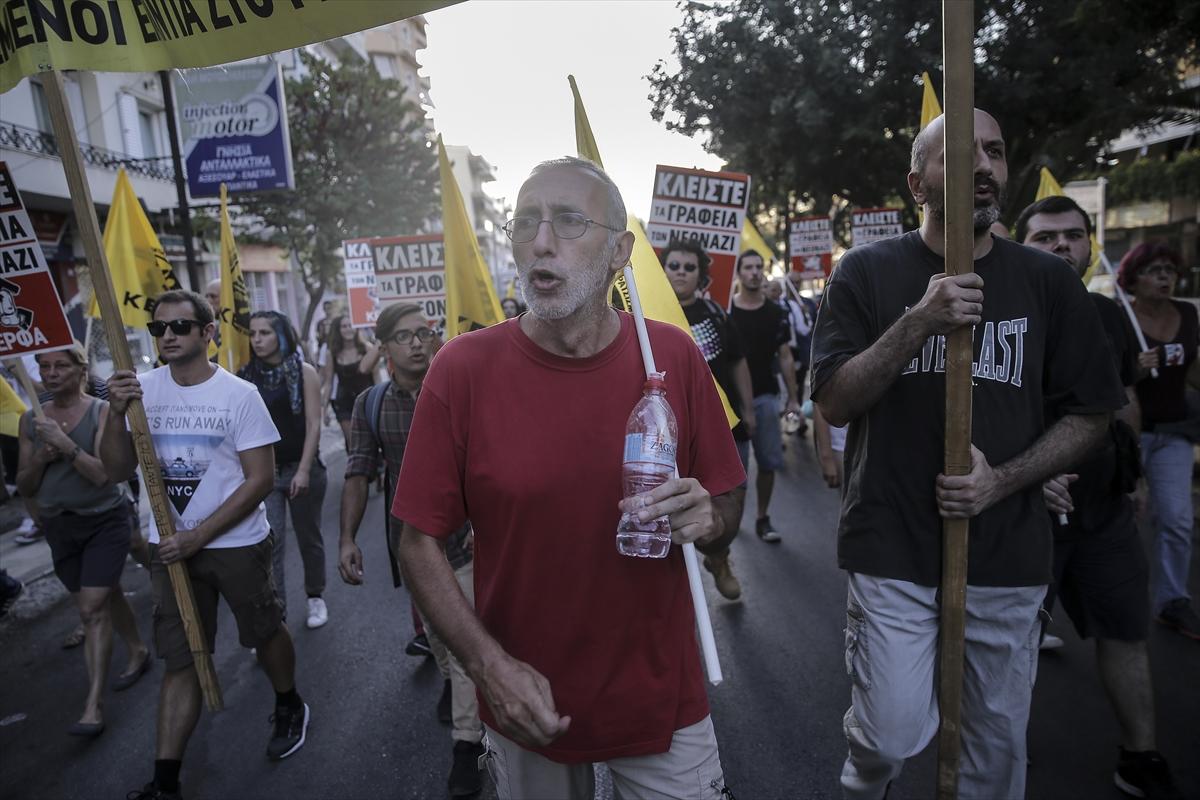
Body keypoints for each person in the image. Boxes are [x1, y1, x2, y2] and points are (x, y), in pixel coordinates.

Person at [393, 156, 744, 799]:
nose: (541, 241)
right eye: (525, 222)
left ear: (620, 252)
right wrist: (487, 668)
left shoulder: (670, 355)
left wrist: (710, 519)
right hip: (528, 700)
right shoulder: (462, 369)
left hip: (661, 697)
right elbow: (417, 540)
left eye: (569, 221)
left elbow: (727, 501)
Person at [811, 109, 1125, 799]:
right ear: (917, 184)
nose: (983, 166)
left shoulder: (1047, 282)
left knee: (994, 751)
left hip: (1008, 552)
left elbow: (1093, 414)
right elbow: (833, 399)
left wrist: (1004, 480)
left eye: (995, 152)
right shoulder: (865, 273)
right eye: (959, 154)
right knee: (889, 733)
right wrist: (919, 320)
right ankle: (866, 780)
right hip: (891, 542)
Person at [102, 290, 309, 800]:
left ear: (207, 332)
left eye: (178, 327)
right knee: (182, 658)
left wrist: (198, 535)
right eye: (158, 329)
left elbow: (259, 480)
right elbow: (114, 469)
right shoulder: (141, 390)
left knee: (264, 633)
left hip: (234, 543)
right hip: (169, 551)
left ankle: (288, 701)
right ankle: (165, 780)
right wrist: (114, 413)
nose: (167, 336)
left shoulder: (239, 395)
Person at [1017, 195, 1182, 799]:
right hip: (1022, 516)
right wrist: (1029, 473)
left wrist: (1133, 475)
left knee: (1126, 631)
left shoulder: (1111, 318)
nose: (1062, 245)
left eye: (1073, 235)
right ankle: (999, 749)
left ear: (1090, 246)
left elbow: (1121, 403)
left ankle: (1141, 757)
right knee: (1010, 645)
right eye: (1045, 237)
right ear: (1021, 244)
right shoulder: (998, 316)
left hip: (1104, 513)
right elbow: (975, 417)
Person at [337, 302, 484, 797]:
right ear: (385, 348)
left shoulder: (461, 392)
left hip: (465, 542)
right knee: (441, 641)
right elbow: (359, 471)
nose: (418, 342)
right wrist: (346, 538)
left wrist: (485, 521)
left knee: (465, 647)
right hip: (414, 547)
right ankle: (450, 681)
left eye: (425, 332)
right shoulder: (371, 405)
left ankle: (467, 747)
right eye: (404, 336)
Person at [16, 343, 151, 736]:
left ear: (81, 370)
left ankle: (93, 705)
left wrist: (65, 445)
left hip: (104, 521)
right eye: (44, 366)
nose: (51, 372)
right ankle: (138, 649)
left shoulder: (102, 411)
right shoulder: (30, 420)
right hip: (60, 526)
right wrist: (41, 456)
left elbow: (104, 474)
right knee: (106, 595)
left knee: (91, 609)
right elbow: (24, 484)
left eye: (61, 365)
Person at [660, 238, 753, 600]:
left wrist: (747, 409)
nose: (681, 272)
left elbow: (738, 362)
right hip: (673, 433)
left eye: (689, 267)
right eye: (674, 265)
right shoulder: (644, 316)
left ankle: (719, 556)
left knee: (730, 503)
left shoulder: (716, 314)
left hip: (727, 426)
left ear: (700, 275)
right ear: (663, 269)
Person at [1120, 241, 1200, 640]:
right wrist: (1133, 368)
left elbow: (1193, 370)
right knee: (1122, 521)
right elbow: (1106, 376)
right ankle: (1118, 593)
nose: (1165, 277)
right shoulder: (1120, 317)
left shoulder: (1187, 314)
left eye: (1170, 269)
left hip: (1172, 434)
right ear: (1134, 278)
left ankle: (1172, 600)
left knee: (1177, 519)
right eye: (1155, 270)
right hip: (1124, 437)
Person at [240, 311, 329, 630]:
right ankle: (276, 612)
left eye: (265, 332)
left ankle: (315, 595)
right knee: (269, 542)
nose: (258, 339)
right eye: (253, 333)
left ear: (281, 335)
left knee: (309, 538)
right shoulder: (247, 375)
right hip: (265, 475)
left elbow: (314, 423)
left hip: (302, 467)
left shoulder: (304, 372)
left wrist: (304, 470)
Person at [730, 250, 801, 542]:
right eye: (748, 267)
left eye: (759, 267)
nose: (755, 272)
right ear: (738, 273)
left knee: (769, 463)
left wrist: (793, 398)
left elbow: (785, 357)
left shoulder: (776, 313)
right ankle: (734, 523)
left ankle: (762, 517)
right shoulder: (726, 312)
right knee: (738, 473)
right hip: (733, 406)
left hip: (767, 398)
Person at [319, 315, 380, 449]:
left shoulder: (367, 348)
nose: (348, 329)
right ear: (338, 330)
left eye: (350, 325)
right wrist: (324, 410)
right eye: (344, 326)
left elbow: (377, 378)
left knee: (370, 441)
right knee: (353, 442)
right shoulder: (332, 353)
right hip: (344, 403)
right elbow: (328, 382)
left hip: (367, 401)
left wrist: (380, 402)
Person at [785, 271, 819, 434]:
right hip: (788, 354)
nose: (796, 285)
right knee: (790, 389)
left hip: (804, 354)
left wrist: (805, 313)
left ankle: (797, 419)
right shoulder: (781, 303)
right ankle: (793, 420)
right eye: (793, 282)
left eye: (798, 282)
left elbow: (815, 326)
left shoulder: (808, 303)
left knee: (798, 389)